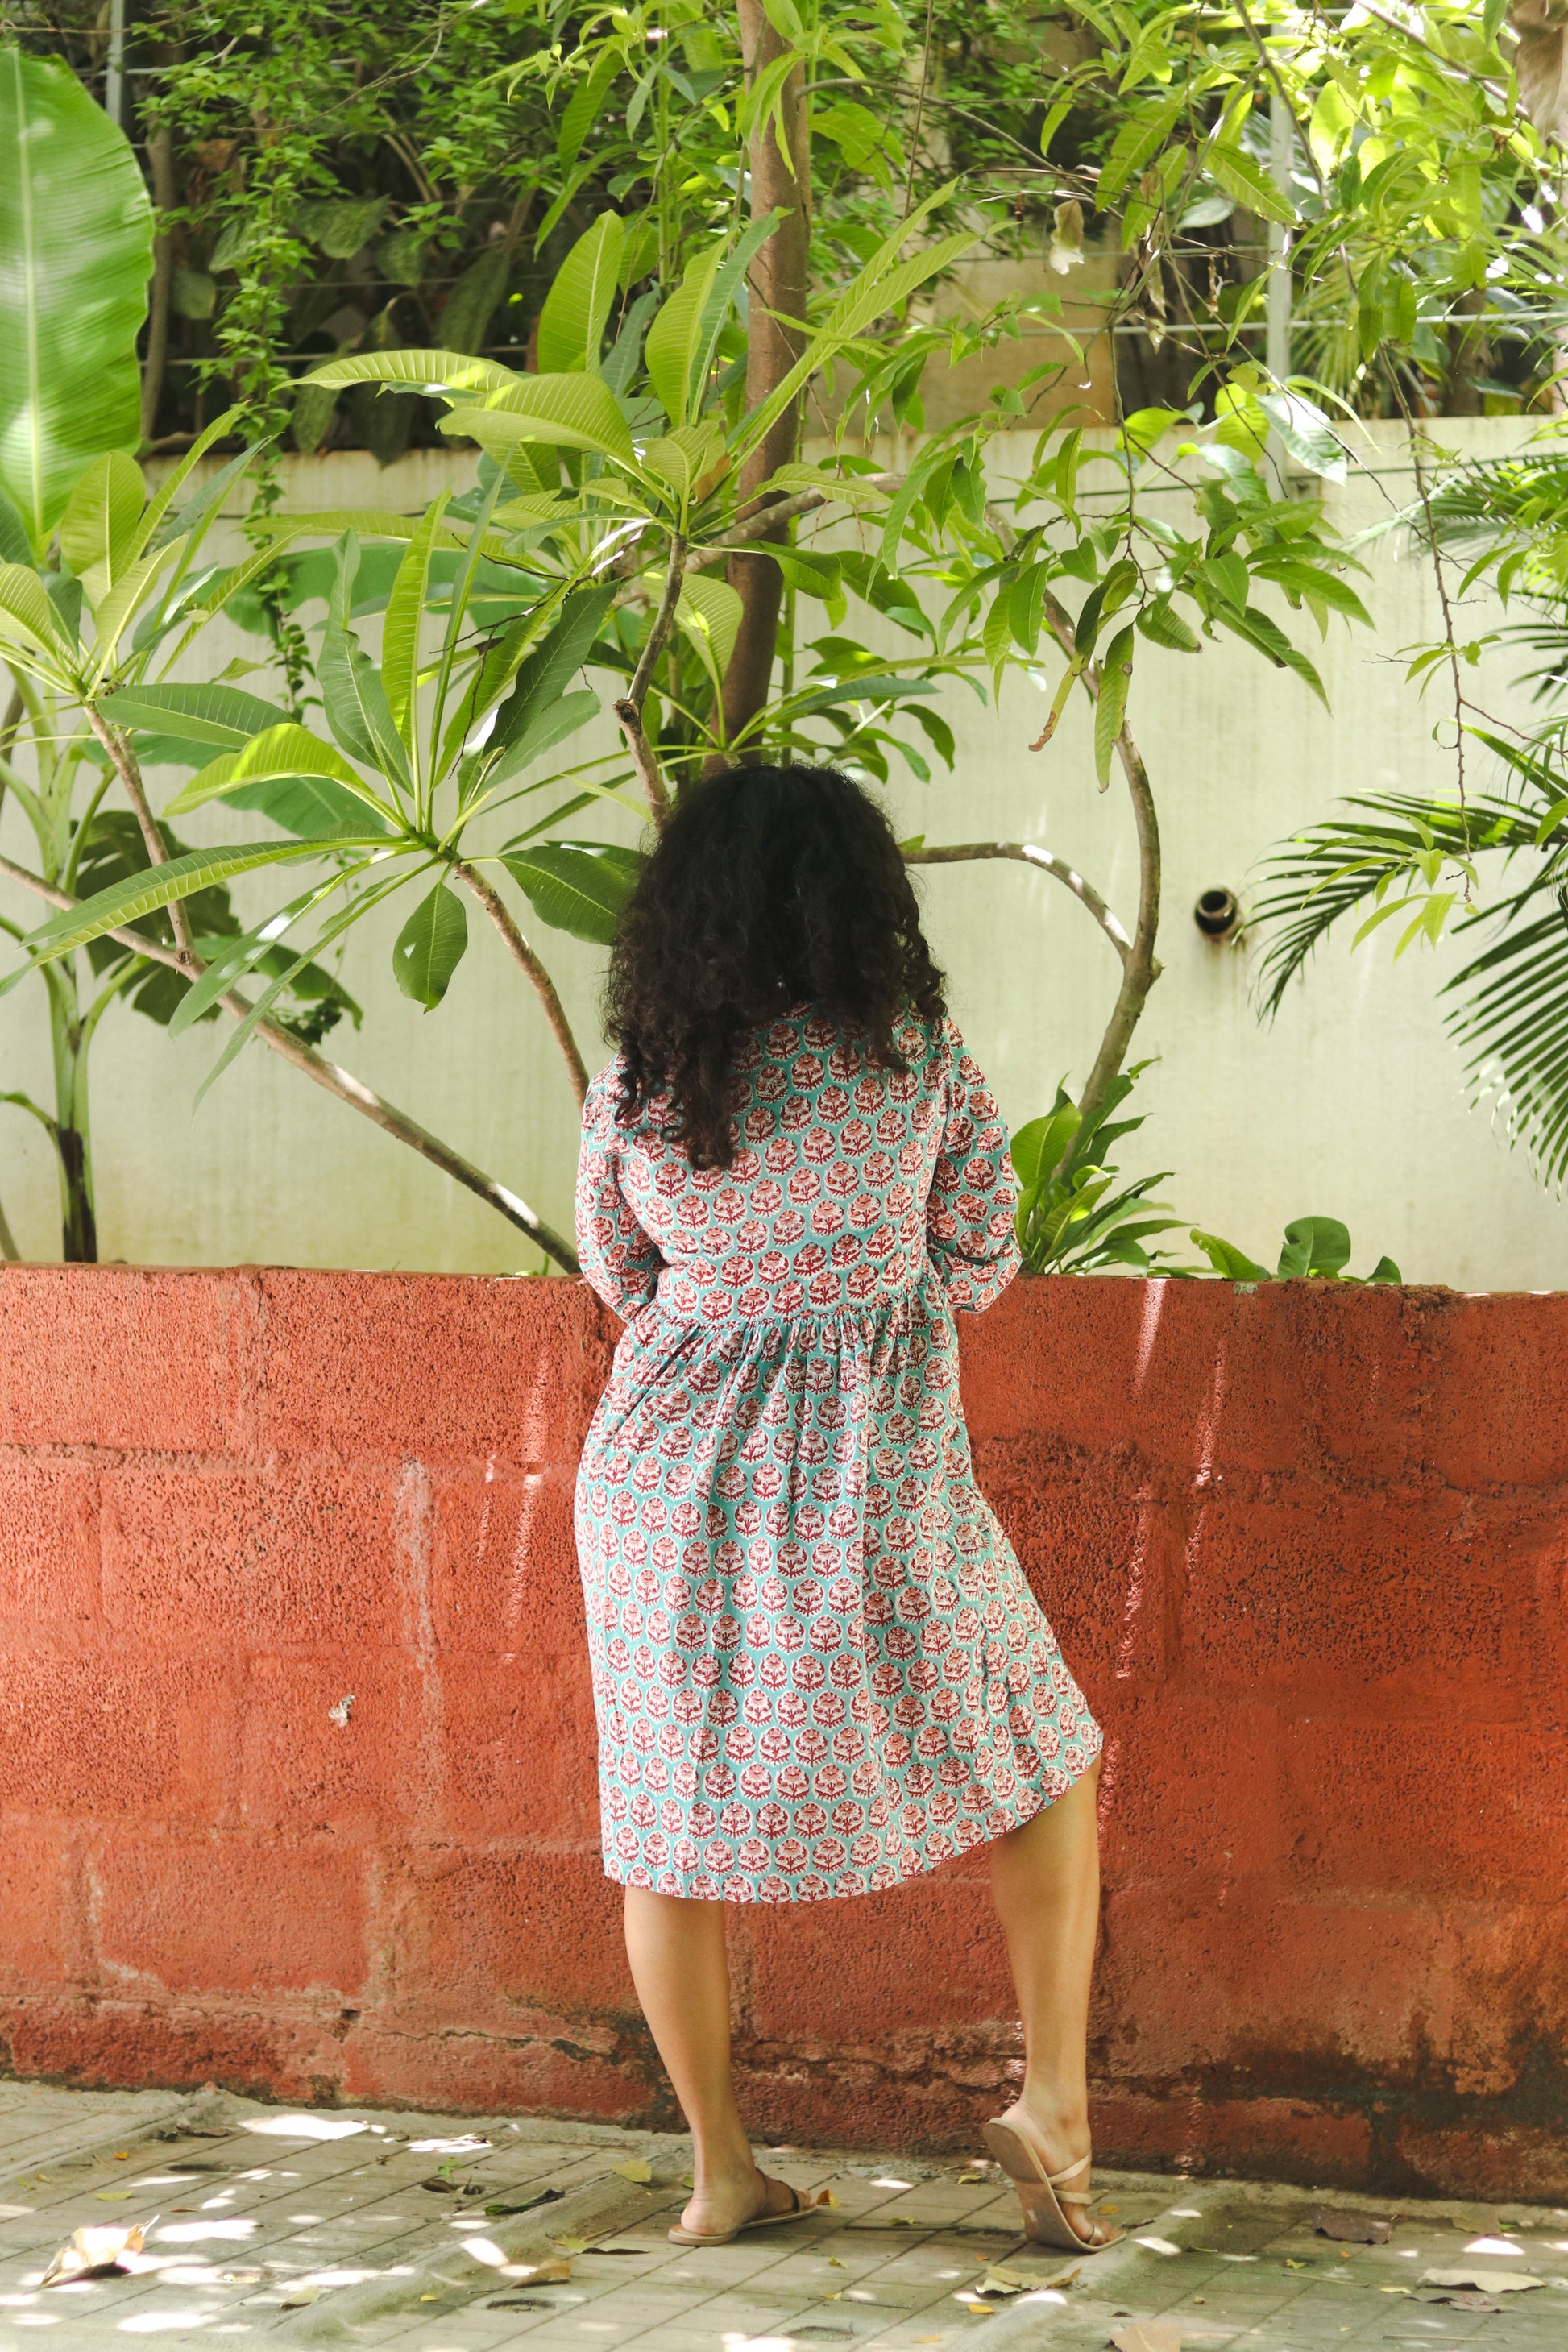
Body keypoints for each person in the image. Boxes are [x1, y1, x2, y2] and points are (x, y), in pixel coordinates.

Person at [573, 762, 1118, 2256]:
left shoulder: (641, 1073)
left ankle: (719, 2171)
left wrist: (741, 1306)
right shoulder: (911, 1053)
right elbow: (988, 1245)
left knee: (665, 1828)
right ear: (858, 897)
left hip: (656, 1482)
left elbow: (619, 1277)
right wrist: (877, 1311)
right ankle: (1055, 2108)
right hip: (871, 1470)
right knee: (1036, 1754)